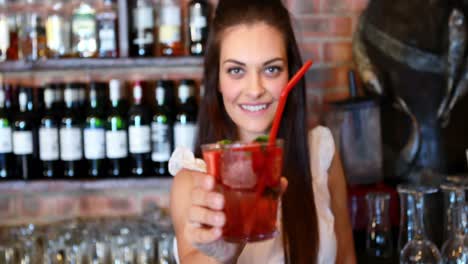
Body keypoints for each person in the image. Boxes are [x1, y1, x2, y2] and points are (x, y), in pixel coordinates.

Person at [170, 0, 356, 263]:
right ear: (218, 81)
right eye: (236, 70)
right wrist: (223, 257)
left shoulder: (321, 152)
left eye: (271, 69)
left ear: (290, 73)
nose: (255, 88)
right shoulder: (194, 179)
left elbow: (347, 258)